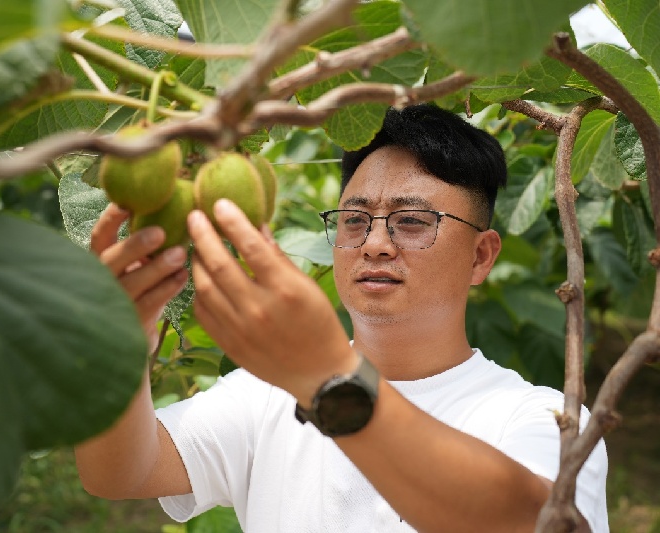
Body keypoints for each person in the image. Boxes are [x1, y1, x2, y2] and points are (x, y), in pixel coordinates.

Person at [75, 104, 608, 532]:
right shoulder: (265, 395)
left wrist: (327, 377)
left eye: (412, 221)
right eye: (354, 219)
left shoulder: (542, 419)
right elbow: (120, 471)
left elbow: (531, 521)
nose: (374, 243)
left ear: (480, 256)